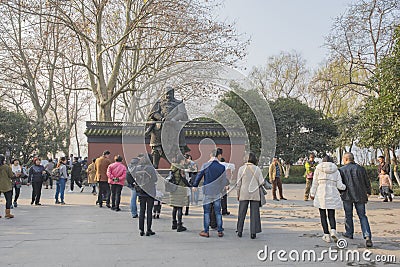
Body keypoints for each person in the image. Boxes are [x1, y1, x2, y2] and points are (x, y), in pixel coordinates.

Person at [145, 87, 189, 168]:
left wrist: (174, 119)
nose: (168, 96)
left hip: (174, 126)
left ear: (173, 94)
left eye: (170, 94)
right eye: (166, 94)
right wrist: (161, 118)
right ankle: (155, 163)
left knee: (179, 142)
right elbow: (153, 114)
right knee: (156, 144)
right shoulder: (159, 103)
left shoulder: (179, 103)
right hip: (161, 126)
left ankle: (179, 162)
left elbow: (183, 114)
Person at [339, 152, 373, 248]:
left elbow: (340, 184)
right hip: (360, 195)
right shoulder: (361, 169)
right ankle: (367, 236)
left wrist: (340, 192)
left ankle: (349, 233)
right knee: (362, 216)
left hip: (347, 196)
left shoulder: (341, 170)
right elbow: (367, 181)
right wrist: (368, 191)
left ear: (345, 159)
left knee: (348, 215)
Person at [310, 155, 346, 243]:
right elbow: (340, 186)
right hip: (332, 193)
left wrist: (312, 193)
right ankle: (333, 230)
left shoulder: (318, 169)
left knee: (323, 215)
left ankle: (326, 235)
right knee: (331, 214)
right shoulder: (336, 170)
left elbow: (314, 183)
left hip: (321, 193)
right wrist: (345, 187)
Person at [193, 148, 227, 238]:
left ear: (211, 155)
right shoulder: (222, 167)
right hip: (217, 192)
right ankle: (220, 231)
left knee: (207, 212)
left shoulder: (205, 165)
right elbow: (223, 182)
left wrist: (195, 186)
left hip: (207, 192)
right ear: (218, 155)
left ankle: (206, 231)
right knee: (218, 212)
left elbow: (199, 176)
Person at [236, 152, 264, 239]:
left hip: (244, 192)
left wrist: (238, 194)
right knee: (254, 213)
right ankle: (253, 233)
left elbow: (238, 183)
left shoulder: (241, 169)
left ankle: (240, 231)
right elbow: (262, 182)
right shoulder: (257, 169)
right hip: (254, 193)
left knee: (241, 212)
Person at [130, 154, 158, 236]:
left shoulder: (138, 168)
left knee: (142, 210)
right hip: (150, 191)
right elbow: (155, 179)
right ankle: (148, 229)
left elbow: (133, 176)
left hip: (141, 191)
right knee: (149, 211)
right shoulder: (151, 168)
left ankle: (141, 230)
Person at [169, 155, 192, 232]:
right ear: (181, 160)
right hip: (180, 188)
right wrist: (190, 186)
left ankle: (173, 224)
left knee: (174, 207)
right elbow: (183, 178)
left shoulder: (172, 166)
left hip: (173, 188)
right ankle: (179, 225)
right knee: (180, 207)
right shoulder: (181, 168)